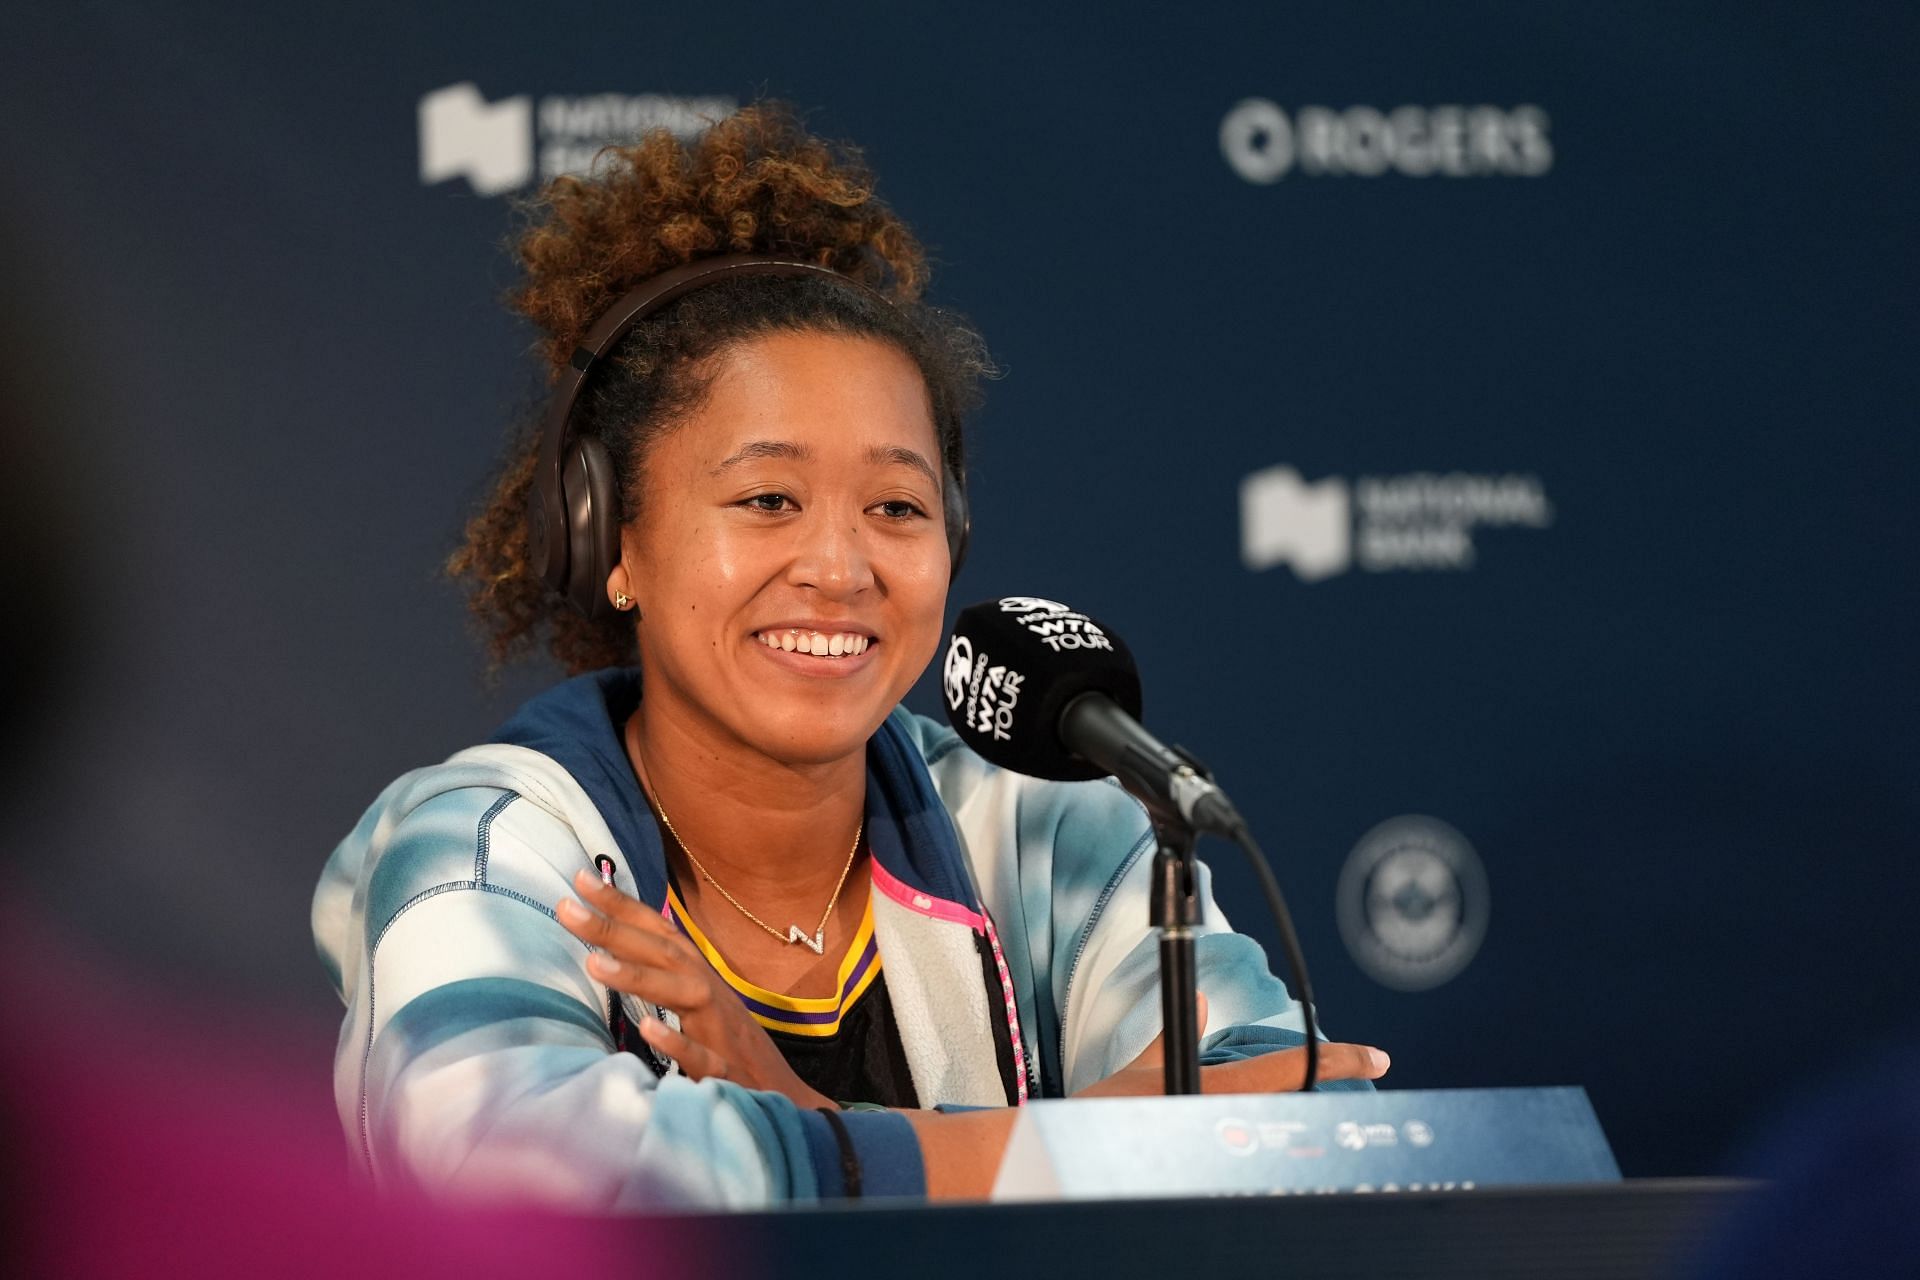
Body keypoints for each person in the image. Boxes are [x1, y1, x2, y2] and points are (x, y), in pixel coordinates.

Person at [311, 104, 1389, 1211]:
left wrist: (801, 1111)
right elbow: (516, 1172)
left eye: (896, 505)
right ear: (612, 541)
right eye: (767, 498)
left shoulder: (1050, 824)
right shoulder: (488, 839)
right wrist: (1051, 1148)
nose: (842, 564)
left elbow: (1279, 1115)